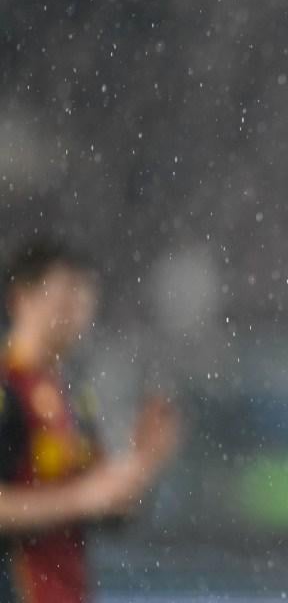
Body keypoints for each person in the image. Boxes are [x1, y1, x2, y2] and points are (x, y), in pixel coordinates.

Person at [0, 240, 180, 603]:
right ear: (22, 299)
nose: (77, 313)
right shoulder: (9, 389)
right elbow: (83, 498)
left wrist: (142, 465)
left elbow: (104, 509)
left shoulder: (73, 397)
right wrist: (80, 499)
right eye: (65, 297)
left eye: (84, 300)